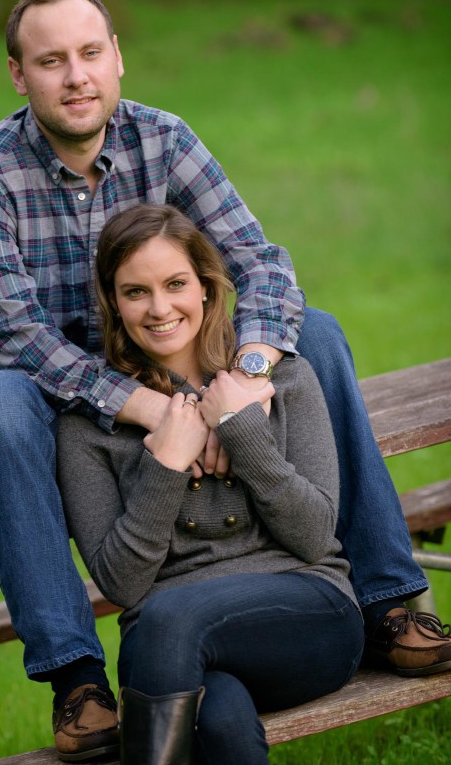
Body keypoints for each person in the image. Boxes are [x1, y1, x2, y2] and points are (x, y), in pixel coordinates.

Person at [0, 0, 450, 760]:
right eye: (50, 61)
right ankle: (76, 676)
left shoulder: (165, 138)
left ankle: (385, 597)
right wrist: (154, 412)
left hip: (184, 361)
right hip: (52, 393)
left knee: (310, 335)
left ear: (117, 58)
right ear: (19, 75)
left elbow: (257, 262)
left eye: (89, 54)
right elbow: (14, 333)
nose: (75, 76)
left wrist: (246, 378)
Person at [57, 202, 367, 763]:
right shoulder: (87, 426)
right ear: (112, 302)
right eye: (135, 292)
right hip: (168, 653)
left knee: (169, 619)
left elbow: (317, 535)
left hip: (308, 616)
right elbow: (122, 585)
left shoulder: (283, 377)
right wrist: (167, 465)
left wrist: (241, 430)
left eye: (176, 283)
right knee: (218, 719)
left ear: (205, 286)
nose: (159, 309)